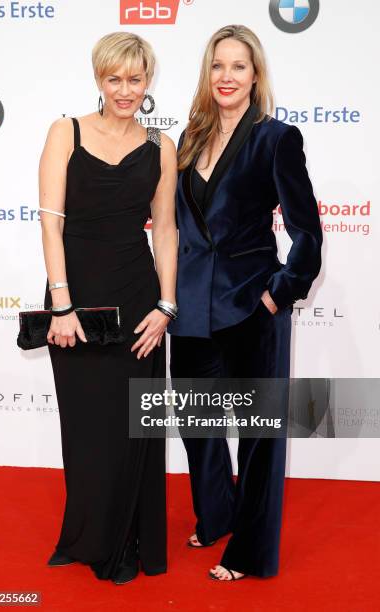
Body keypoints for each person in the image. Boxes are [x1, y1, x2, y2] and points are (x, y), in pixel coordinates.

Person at [167, 24, 322, 581]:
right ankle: (216, 516)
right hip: (187, 310)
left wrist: (278, 294)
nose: (227, 76)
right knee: (197, 427)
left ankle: (249, 554)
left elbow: (306, 232)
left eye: (238, 66)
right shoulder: (188, 138)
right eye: (217, 65)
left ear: (255, 75)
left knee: (258, 440)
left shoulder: (276, 138)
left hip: (250, 307)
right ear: (207, 75)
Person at [38, 31, 178, 585]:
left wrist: (166, 306)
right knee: (87, 429)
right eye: (114, 78)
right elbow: (52, 222)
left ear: (148, 83)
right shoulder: (65, 131)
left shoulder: (160, 146)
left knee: (132, 429)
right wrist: (61, 306)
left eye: (135, 79)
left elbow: (164, 230)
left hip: (138, 299)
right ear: (100, 79)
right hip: (75, 299)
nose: (124, 90)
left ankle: (127, 542)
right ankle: (88, 538)